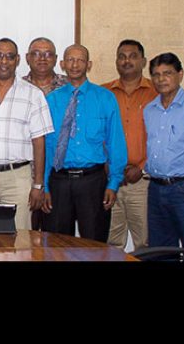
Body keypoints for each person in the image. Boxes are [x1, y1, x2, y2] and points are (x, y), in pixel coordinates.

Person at [42, 44, 127, 242]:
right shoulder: (51, 100)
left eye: (80, 60)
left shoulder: (105, 98)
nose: (75, 64)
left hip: (93, 181)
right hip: (59, 181)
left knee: (95, 243)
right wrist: (45, 186)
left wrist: (113, 183)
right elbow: (47, 146)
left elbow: (115, 142)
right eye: (70, 59)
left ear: (88, 65)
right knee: (57, 244)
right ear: (62, 64)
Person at [0, 38, 53, 230]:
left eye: (9, 56)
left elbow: (39, 142)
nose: (4, 61)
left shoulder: (33, 94)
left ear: (17, 60)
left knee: (20, 240)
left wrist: (38, 185)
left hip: (17, 177)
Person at [143, 53, 184, 260]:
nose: (161, 79)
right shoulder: (149, 110)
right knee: (160, 250)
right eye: (156, 74)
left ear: (180, 74)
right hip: (155, 188)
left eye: (168, 73)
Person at [101, 39, 158, 251]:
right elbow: (96, 136)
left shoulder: (156, 93)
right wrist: (106, 165)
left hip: (141, 181)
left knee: (145, 242)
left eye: (133, 56)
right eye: (122, 56)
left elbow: (160, 140)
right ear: (116, 61)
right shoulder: (103, 93)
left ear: (143, 61)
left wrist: (141, 167)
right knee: (111, 243)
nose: (127, 61)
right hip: (109, 180)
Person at [23, 37, 69, 230]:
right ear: (26, 58)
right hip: (25, 175)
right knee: (24, 237)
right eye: (36, 53)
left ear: (56, 59)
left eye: (48, 54)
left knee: (56, 240)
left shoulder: (69, 88)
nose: (42, 58)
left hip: (61, 175)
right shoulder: (17, 88)